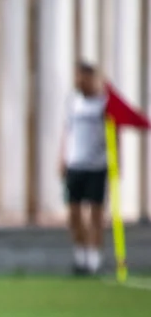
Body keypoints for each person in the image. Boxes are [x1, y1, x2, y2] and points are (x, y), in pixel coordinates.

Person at [59, 62, 108, 275]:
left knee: (95, 214)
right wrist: (61, 157)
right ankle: (81, 257)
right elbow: (67, 131)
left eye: (81, 77)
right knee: (73, 214)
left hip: (97, 165)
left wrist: (117, 161)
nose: (77, 81)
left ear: (90, 78)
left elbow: (113, 134)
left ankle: (94, 260)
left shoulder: (103, 103)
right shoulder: (73, 102)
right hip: (75, 164)